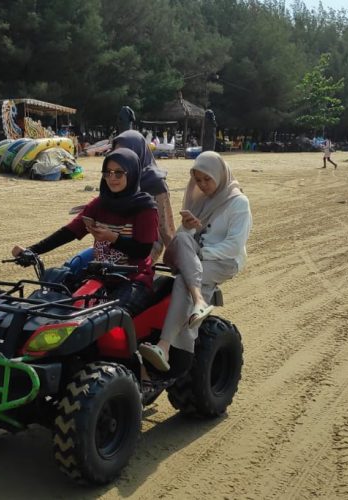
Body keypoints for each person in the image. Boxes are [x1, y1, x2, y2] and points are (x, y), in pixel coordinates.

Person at [138, 152, 252, 373]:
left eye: (207, 179)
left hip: (225, 260)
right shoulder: (202, 201)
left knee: (184, 281)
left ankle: (165, 346)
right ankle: (198, 302)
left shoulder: (238, 203)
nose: (203, 185)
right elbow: (183, 240)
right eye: (198, 180)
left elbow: (234, 246)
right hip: (198, 256)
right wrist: (190, 226)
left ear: (219, 175)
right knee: (181, 238)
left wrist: (199, 255)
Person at [13, 148, 159, 316]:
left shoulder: (145, 208)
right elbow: (69, 231)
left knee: (111, 319)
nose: (112, 178)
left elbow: (143, 250)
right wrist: (32, 250)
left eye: (119, 173)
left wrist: (113, 238)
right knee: (55, 301)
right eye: (108, 172)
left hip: (133, 279)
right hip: (100, 275)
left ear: (132, 173)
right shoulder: (100, 203)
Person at [63, 130, 175, 274]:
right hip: (108, 247)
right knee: (71, 267)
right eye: (117, 151)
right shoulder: (113, 179)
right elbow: (75, 228)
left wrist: (176, 261)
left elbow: (166, 227)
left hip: (141, 249)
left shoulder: (155, 185)